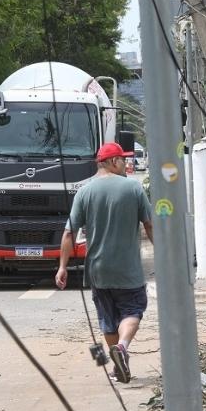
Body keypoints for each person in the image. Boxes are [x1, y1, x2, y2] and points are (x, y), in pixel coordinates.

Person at [55, 142, 153, 383]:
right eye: (123, 159)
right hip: (127, 269)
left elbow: (69, 233)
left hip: (98, 270)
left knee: (108, 319)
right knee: (132, 310)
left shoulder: (84, 192)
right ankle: (122, 346)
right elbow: (150, 225)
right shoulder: (133, 188)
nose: (126, 164)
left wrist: (62, 267)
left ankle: (116, 363)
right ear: (112, 162)